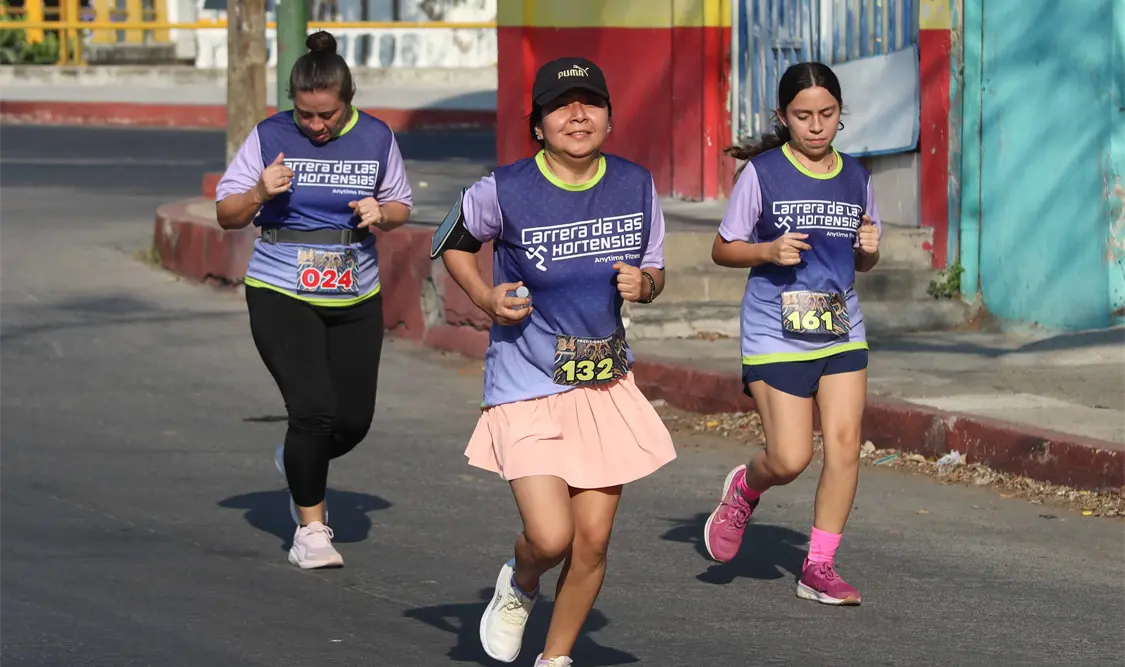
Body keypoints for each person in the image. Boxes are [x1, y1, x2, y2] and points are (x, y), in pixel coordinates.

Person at [431, 57, 677, 666]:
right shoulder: (505, 188)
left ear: (610, 118)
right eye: (561, 105)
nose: (577, 115)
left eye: (590, 102)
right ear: (537, 124)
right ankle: (520, 582)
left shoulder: (636, 185)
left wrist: (645, 286)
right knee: (551, 536)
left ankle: (556, 658)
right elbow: (452, 244)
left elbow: (656, 268)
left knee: (591, 542)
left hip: (604, 385)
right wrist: (486, 296)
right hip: (526, 381)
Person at [214, 30, 413, 570]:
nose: (316, 126)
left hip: (355, 288)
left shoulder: (376, 137)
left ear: (347, 103)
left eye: (327, 115)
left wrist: (381, 213)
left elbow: (400, 205)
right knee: (313, 411)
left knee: (351, 422)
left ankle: (297, 459)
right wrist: (259, 191)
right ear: (293, 104)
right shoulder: (268, 135)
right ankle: (311, 531)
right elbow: (227, 213)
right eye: (306, 115)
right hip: (281, 286)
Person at [702, 61, 881, 605]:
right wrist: (767, 250)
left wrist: (868, 252)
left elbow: (863, 260)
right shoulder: (762, 174)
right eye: (803, 116)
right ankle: (745, 489)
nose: (816, 126)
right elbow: (723, 247)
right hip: (774, 330)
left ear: (840, 114)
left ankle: (819, 567)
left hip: (840, 326)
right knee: (790, 458)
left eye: (827, 114)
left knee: (846, 445)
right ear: (783, 117)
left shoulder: (856, 176)